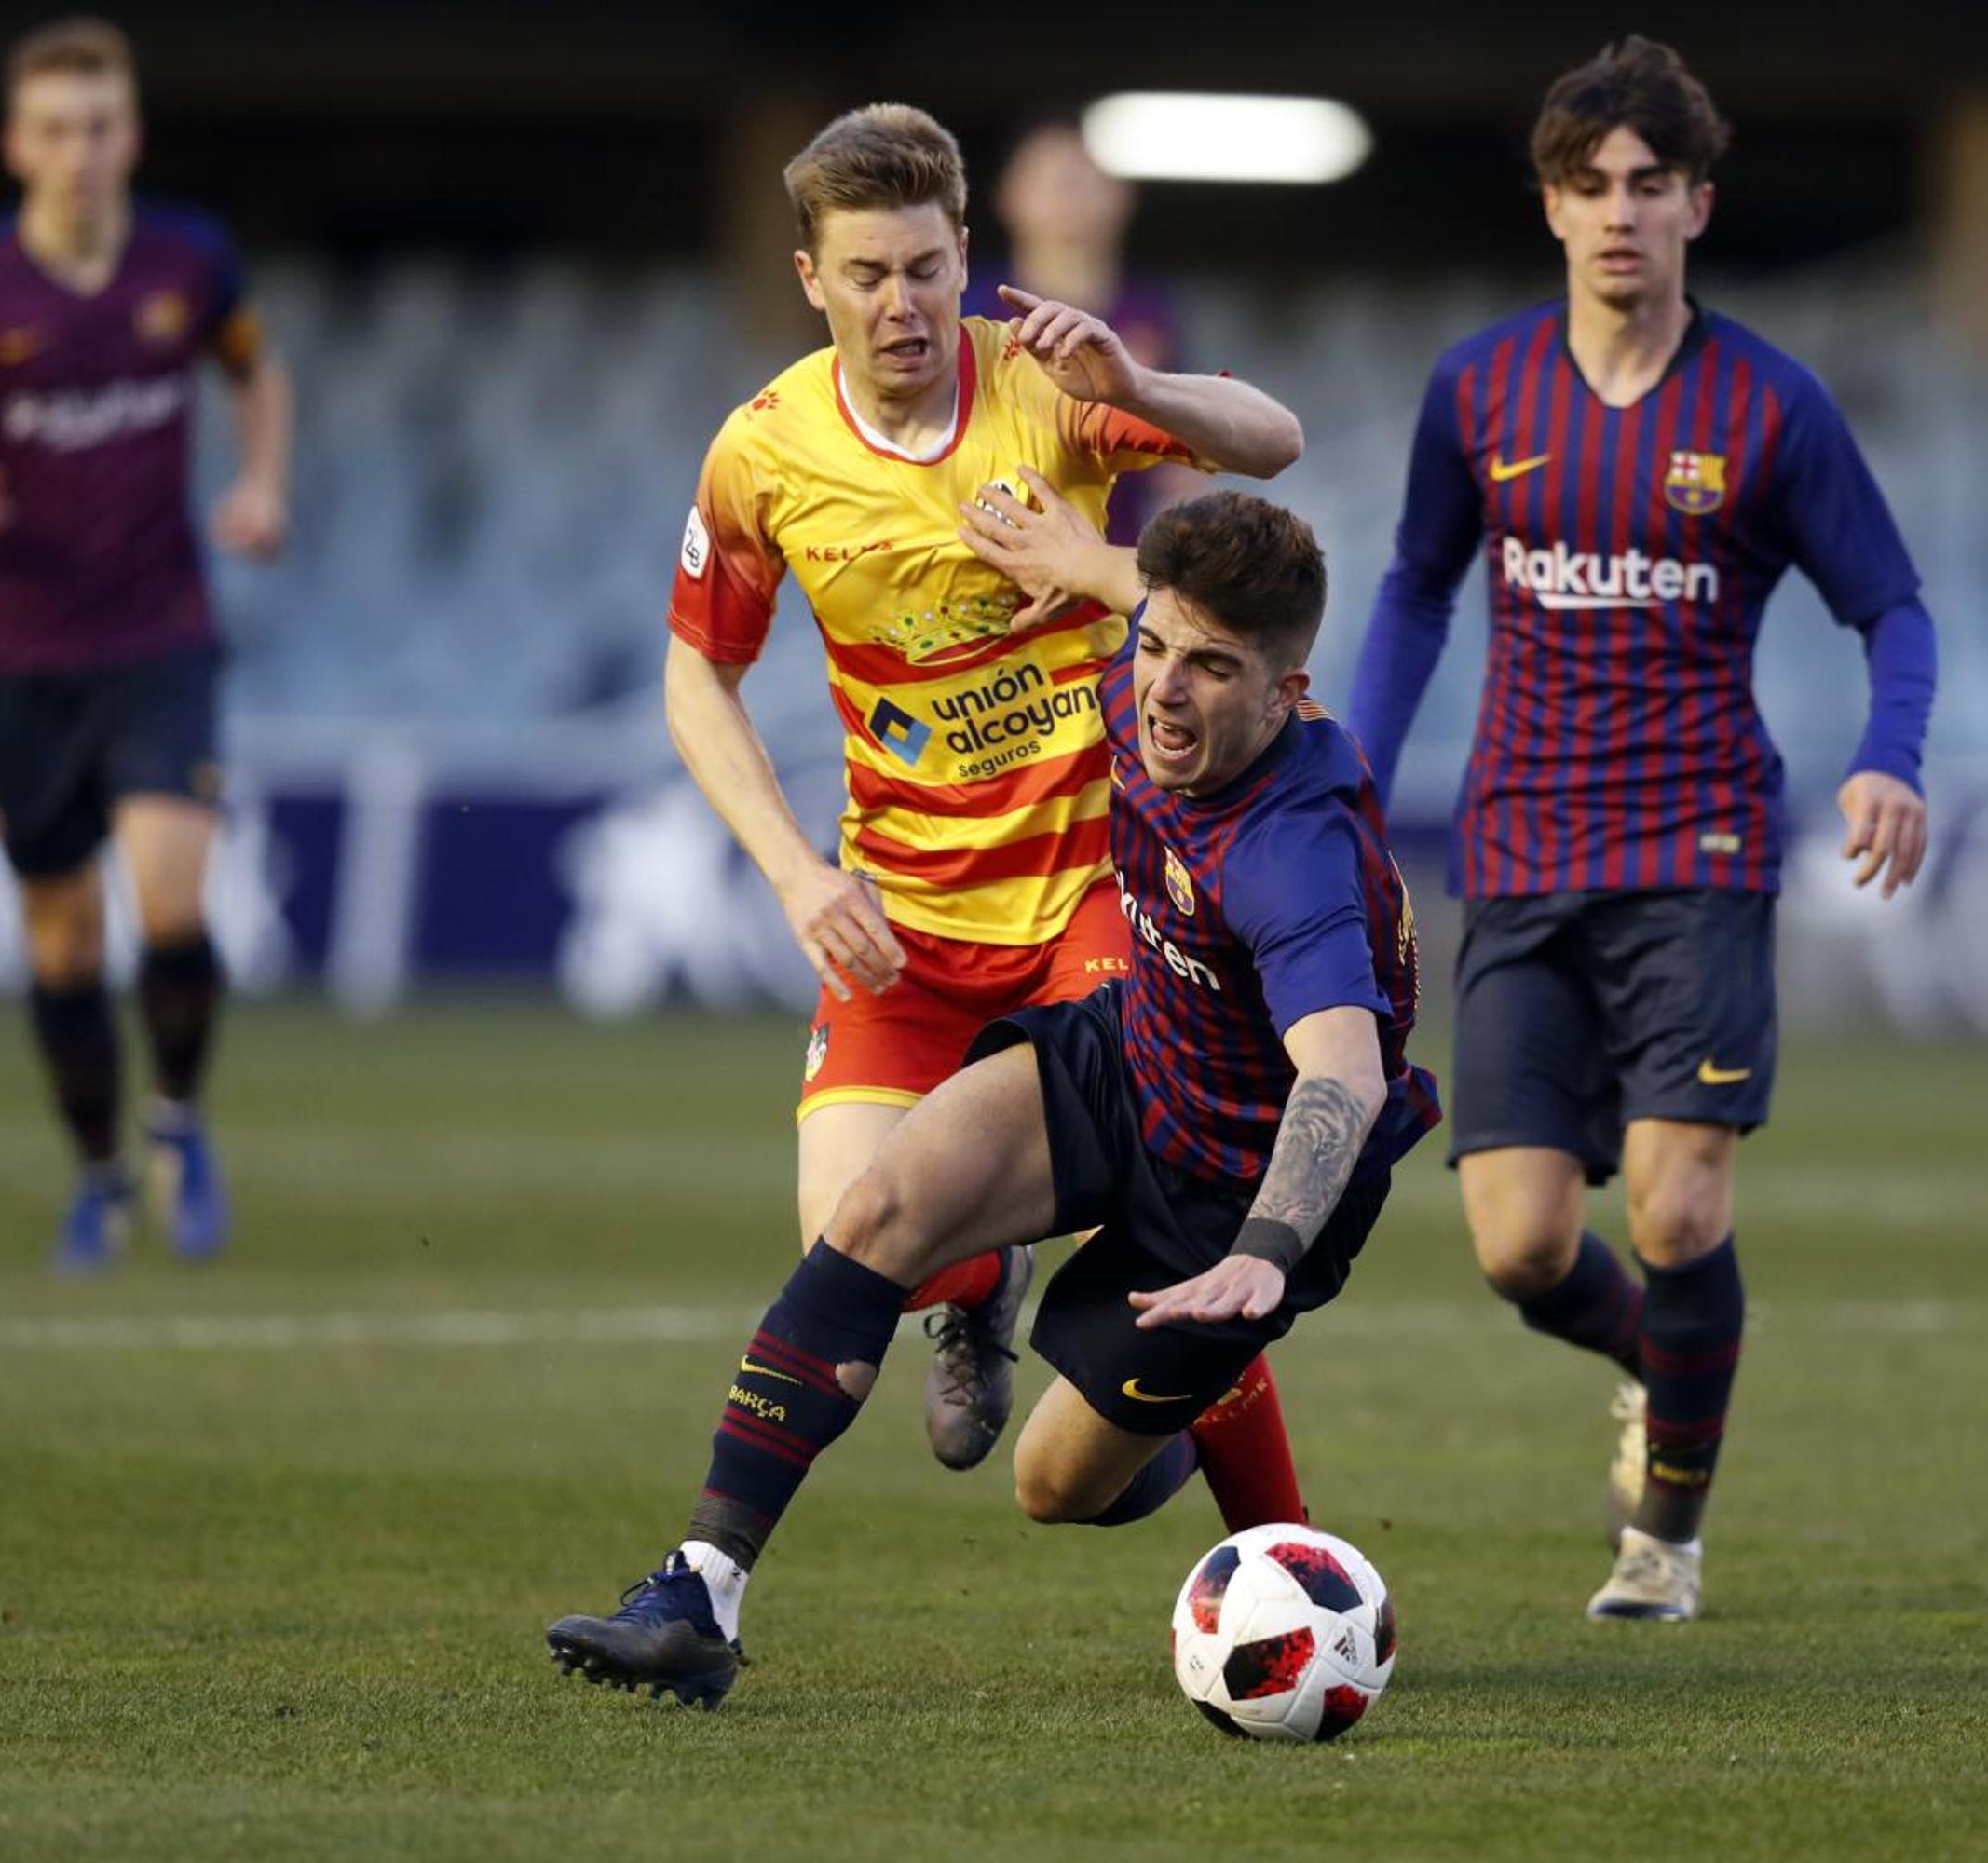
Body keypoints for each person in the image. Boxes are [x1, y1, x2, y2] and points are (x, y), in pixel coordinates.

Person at [550, 488, 1437, 1707]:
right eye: (1160, 648)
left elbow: (1342, 1069)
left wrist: (1267, 1252)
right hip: (1130, 1055)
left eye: (1211, 668)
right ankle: (699, 1592)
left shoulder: (1293, 852)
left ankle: (1195, 1407)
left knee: (1049, 1485)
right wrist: (1080, 553)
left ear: (1287, 694)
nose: (1167, 688)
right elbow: (1150, 601)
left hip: (1235, 1190)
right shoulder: (1153, 678)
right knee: (876, 1213)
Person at [1348, 36, 1938, 1622]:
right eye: (1591, 184)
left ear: (1697, 206)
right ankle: (1673, 1366)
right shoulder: (1480, 390)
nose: (1620, 212)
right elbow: (1413, 588)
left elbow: (1890, 604)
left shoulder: (1771, 406)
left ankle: (1663, 1535)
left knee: (1679, 1206)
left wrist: (1893, 755)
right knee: (1522, 1244)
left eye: (1650, 186)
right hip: (1522, 855)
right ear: (1552, 207)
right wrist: (1357, 772)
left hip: (1700, 857)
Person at [661, 102, 1320, 1509]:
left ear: (966, 252)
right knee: (860, 1231)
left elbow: (1274, 442)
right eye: (866, 275)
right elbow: (695, 679)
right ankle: (995, 1295)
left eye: (924, 267)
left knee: (1175, 1224)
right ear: (811, 280)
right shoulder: (764, 452)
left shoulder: (1047, 382)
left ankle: (1289, 1551)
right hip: (903, 917)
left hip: (1096, 889)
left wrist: (1139, 383)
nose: (901, 304)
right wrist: (794, 876)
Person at [0, 15, 290, 1271]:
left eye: (99, 127)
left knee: (170, 894)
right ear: (15, 148)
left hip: (162, 636)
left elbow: (253, 369)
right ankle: (97, 1176)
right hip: (23, 655)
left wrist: (258, 484)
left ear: (129, 135)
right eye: (55, 132)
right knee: (64, 938)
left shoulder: (190, 263)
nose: (80, 153)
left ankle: (178, 1122)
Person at [980, 116, 1203, 545]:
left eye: (1083, 179)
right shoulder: (971, 309)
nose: (1070, 197)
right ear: (1007, 197)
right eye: (1051, 181)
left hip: (1119, 566)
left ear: (1122, 197)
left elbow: (1180, 460)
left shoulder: (1152, 312)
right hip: (995, 561)